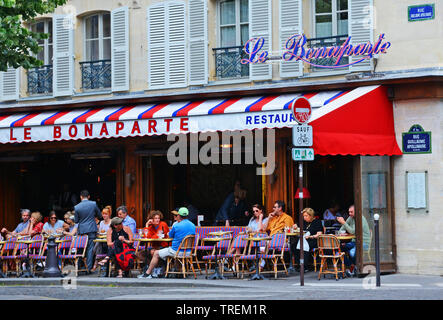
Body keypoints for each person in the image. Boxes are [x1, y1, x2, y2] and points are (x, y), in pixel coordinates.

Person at [138, 207, 195, 279]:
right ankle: (157, 270)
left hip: (175, 251)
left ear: (179, 215)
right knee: (147, 252)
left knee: (155, 253)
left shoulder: (176, 225)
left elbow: (170, 235)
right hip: (188, 252)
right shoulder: (193, 225)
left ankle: (147, 273)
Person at [337, 204, 371, 277]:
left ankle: (357, 269)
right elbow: (341, 230)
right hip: (354, 242)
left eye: (351, 212)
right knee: (338, 249)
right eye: (349, 212)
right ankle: (351, 266)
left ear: (356, 211)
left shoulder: (360, 219)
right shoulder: (350, 217)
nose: (350, 214)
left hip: (363, 242)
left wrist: (343, 222)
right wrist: (342, 233)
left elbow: (352, 231)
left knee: (352, 252)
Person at [74, 190, 102, 273]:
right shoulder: (93, 204)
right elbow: (100, 215)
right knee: (90, 249)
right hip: (91, 228)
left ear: (81, 197)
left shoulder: (77, 207)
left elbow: (76, 221)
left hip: (82, 230)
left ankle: (78, 268)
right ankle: (88, 268)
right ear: (88, 196)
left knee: (80, 248)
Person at [291, 207, 323, 272]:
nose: (304, 217)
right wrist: (295, 226)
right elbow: (296, 226)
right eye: (304, 216)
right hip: (304, 239)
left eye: (306, 216)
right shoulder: (304, 222)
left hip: (314, 240)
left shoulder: (317, 222)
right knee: (293, 245)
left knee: (303, 245)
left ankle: (304, 266)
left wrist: (311, 237)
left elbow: (319, 234)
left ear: (311, 216)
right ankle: (299, 264)